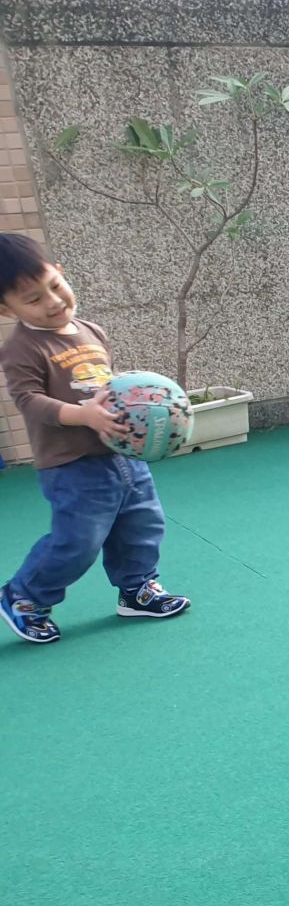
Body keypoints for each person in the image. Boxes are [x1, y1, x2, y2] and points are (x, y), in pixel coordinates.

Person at [0, 233, 191, 644]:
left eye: (55, 285)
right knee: (78, 540)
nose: (53, 301)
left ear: (61, 272)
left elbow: (105, 385)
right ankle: (25, 596)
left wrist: (139, 398)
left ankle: (137, 589)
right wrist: (83, 415)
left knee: (142, 524)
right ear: (6, 309)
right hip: (71, 464)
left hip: (122, 452)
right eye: (34, 299)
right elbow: (29, 401)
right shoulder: (22, 349)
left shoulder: (90, 330)